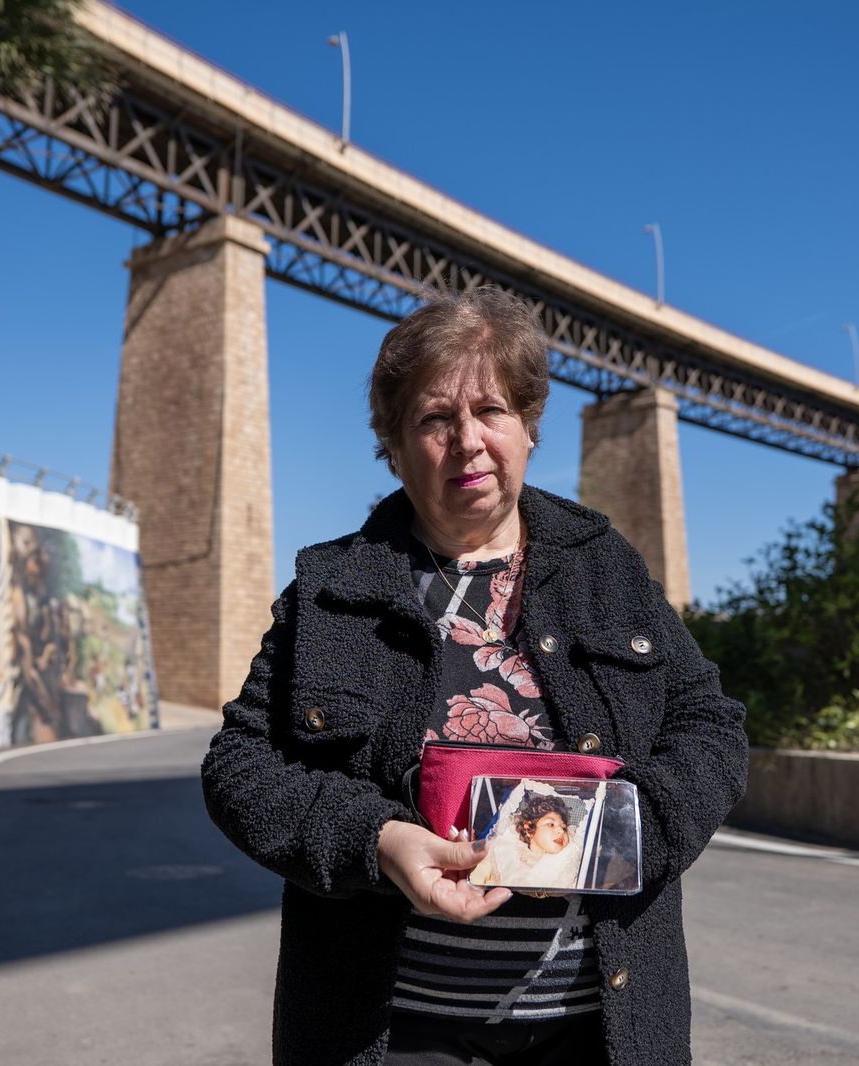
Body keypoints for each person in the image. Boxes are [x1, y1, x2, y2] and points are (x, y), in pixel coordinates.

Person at [201, 287, 748, 1065]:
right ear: (393, 447)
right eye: (434, 419)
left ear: (528, 428)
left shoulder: (606, 570)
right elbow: (240, 767)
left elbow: (710, 724)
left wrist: (634, 831)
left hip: (594, 1033)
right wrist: (376, 841)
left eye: (491, 410)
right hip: (395, 1035)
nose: (468, 442)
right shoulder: (330, 589)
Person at [469, 786, 585, 890]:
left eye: (564, 828)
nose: (561, 831)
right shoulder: (506, 848)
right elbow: (479, 874)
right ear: (529, 829)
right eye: (551, 824)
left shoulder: (565, 862)